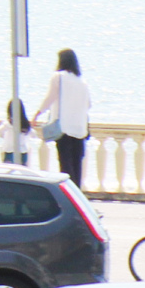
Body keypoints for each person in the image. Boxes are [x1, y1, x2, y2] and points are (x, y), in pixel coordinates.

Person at [34, 49, 92, 186]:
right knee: (77, 165)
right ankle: (77, 195)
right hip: (80, 129)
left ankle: (69, 196)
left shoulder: (58, 77)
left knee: (65, 165)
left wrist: (37, 114)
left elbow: (50, 98)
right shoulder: (82, 81)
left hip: (63, 128)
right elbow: (88, 105)